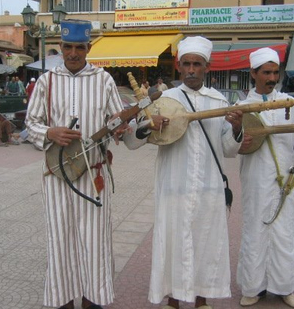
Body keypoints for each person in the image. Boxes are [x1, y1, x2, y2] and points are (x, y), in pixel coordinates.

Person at [125, 36, 243, 309]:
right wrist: (148, 125)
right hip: (173, 186)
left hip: (209, 189)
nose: (191, 69)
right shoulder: (162, 99)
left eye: (197, 64)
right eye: (186, 64)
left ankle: (201, 301)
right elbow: (132, 140)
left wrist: (237, 128)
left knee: (205, 242)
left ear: (207, 67)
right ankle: (173, 301)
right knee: (173, 243)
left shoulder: (218, 101)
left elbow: (228, 148)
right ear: (179, 67)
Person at [25, 19, 131, 309]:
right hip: (57, 176)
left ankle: (92, 301)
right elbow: (30, 123)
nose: (73, 53)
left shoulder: (104, 80)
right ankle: (62, 301)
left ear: (89, 48)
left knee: (94, 243)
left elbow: (116, 120)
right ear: (60, 47)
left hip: (92, 174)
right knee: (60, 240)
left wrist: (120, 128)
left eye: (79, 48)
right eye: (68, 47)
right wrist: (49, 132)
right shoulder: (47, 81)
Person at [236, 47, 294, 308]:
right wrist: (238, 137)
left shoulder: (291, 104)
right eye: (266, 72)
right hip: (256, 181)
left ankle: (285, 287)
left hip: (286, 182)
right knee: (255, 231)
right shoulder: (240, 108)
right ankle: (252, 287)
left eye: (275, 72)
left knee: (285, 234)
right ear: (253, 73)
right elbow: (229, 145)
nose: (272, 78)